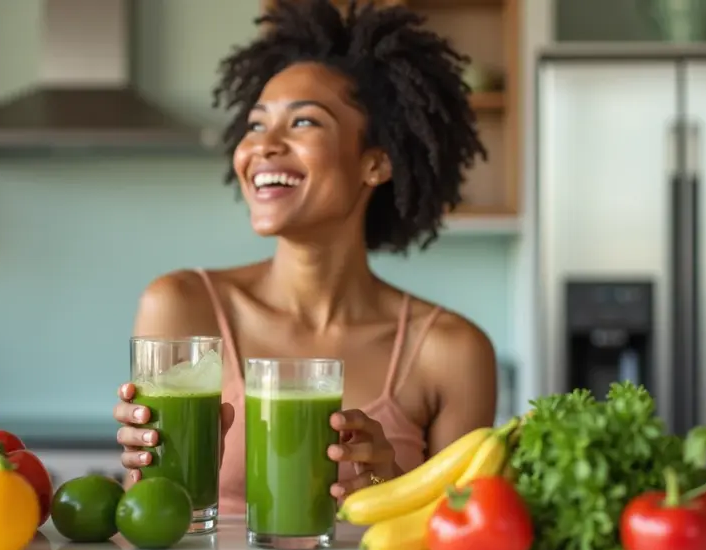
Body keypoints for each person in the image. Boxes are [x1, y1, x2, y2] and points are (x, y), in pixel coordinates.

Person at [112, 0, 497, 515]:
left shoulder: (451, 352)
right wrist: (149, 469)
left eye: (304, 123)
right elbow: (148, 517)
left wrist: (394, 486)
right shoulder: (181, 306)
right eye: (254, 125)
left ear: (376, 163)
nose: (263, 146)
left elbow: (465, 532)